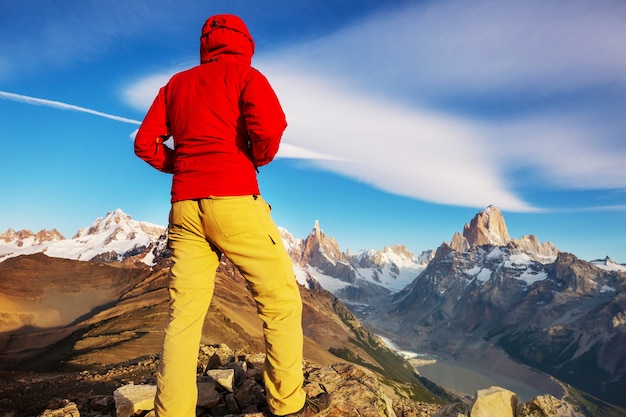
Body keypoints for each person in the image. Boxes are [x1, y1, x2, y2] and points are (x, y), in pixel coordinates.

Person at [134, 14, 330, 417]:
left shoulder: (175, 85)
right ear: (245, 43)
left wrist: (183, 165)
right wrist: (253, 158)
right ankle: (289, 403)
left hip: (184, 207)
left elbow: (144, 143)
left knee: (184, 316)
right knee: (279, 301)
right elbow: (270, 129)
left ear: (205, 45)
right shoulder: (246, 77)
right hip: (234, 199)